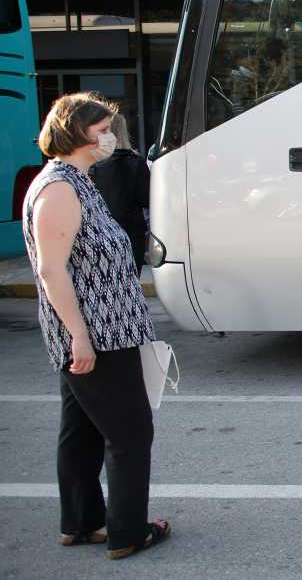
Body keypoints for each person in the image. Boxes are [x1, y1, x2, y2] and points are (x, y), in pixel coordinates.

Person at [21, 92, 170, 560]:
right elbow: (51, 270)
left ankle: (82, 522)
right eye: (101, 129)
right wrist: (78, 336)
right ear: (75, 131)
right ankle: (128, 532)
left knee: (83, 428)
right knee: (130, 433)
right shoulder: (60, 187)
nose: (110, 136)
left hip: (105, 328)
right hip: (97, 334)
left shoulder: (79, 180)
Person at [89, 113, 151, 274]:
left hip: (101, 232)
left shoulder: (93, 165)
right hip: (132, 232)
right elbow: (146, 199)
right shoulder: (136, 162)